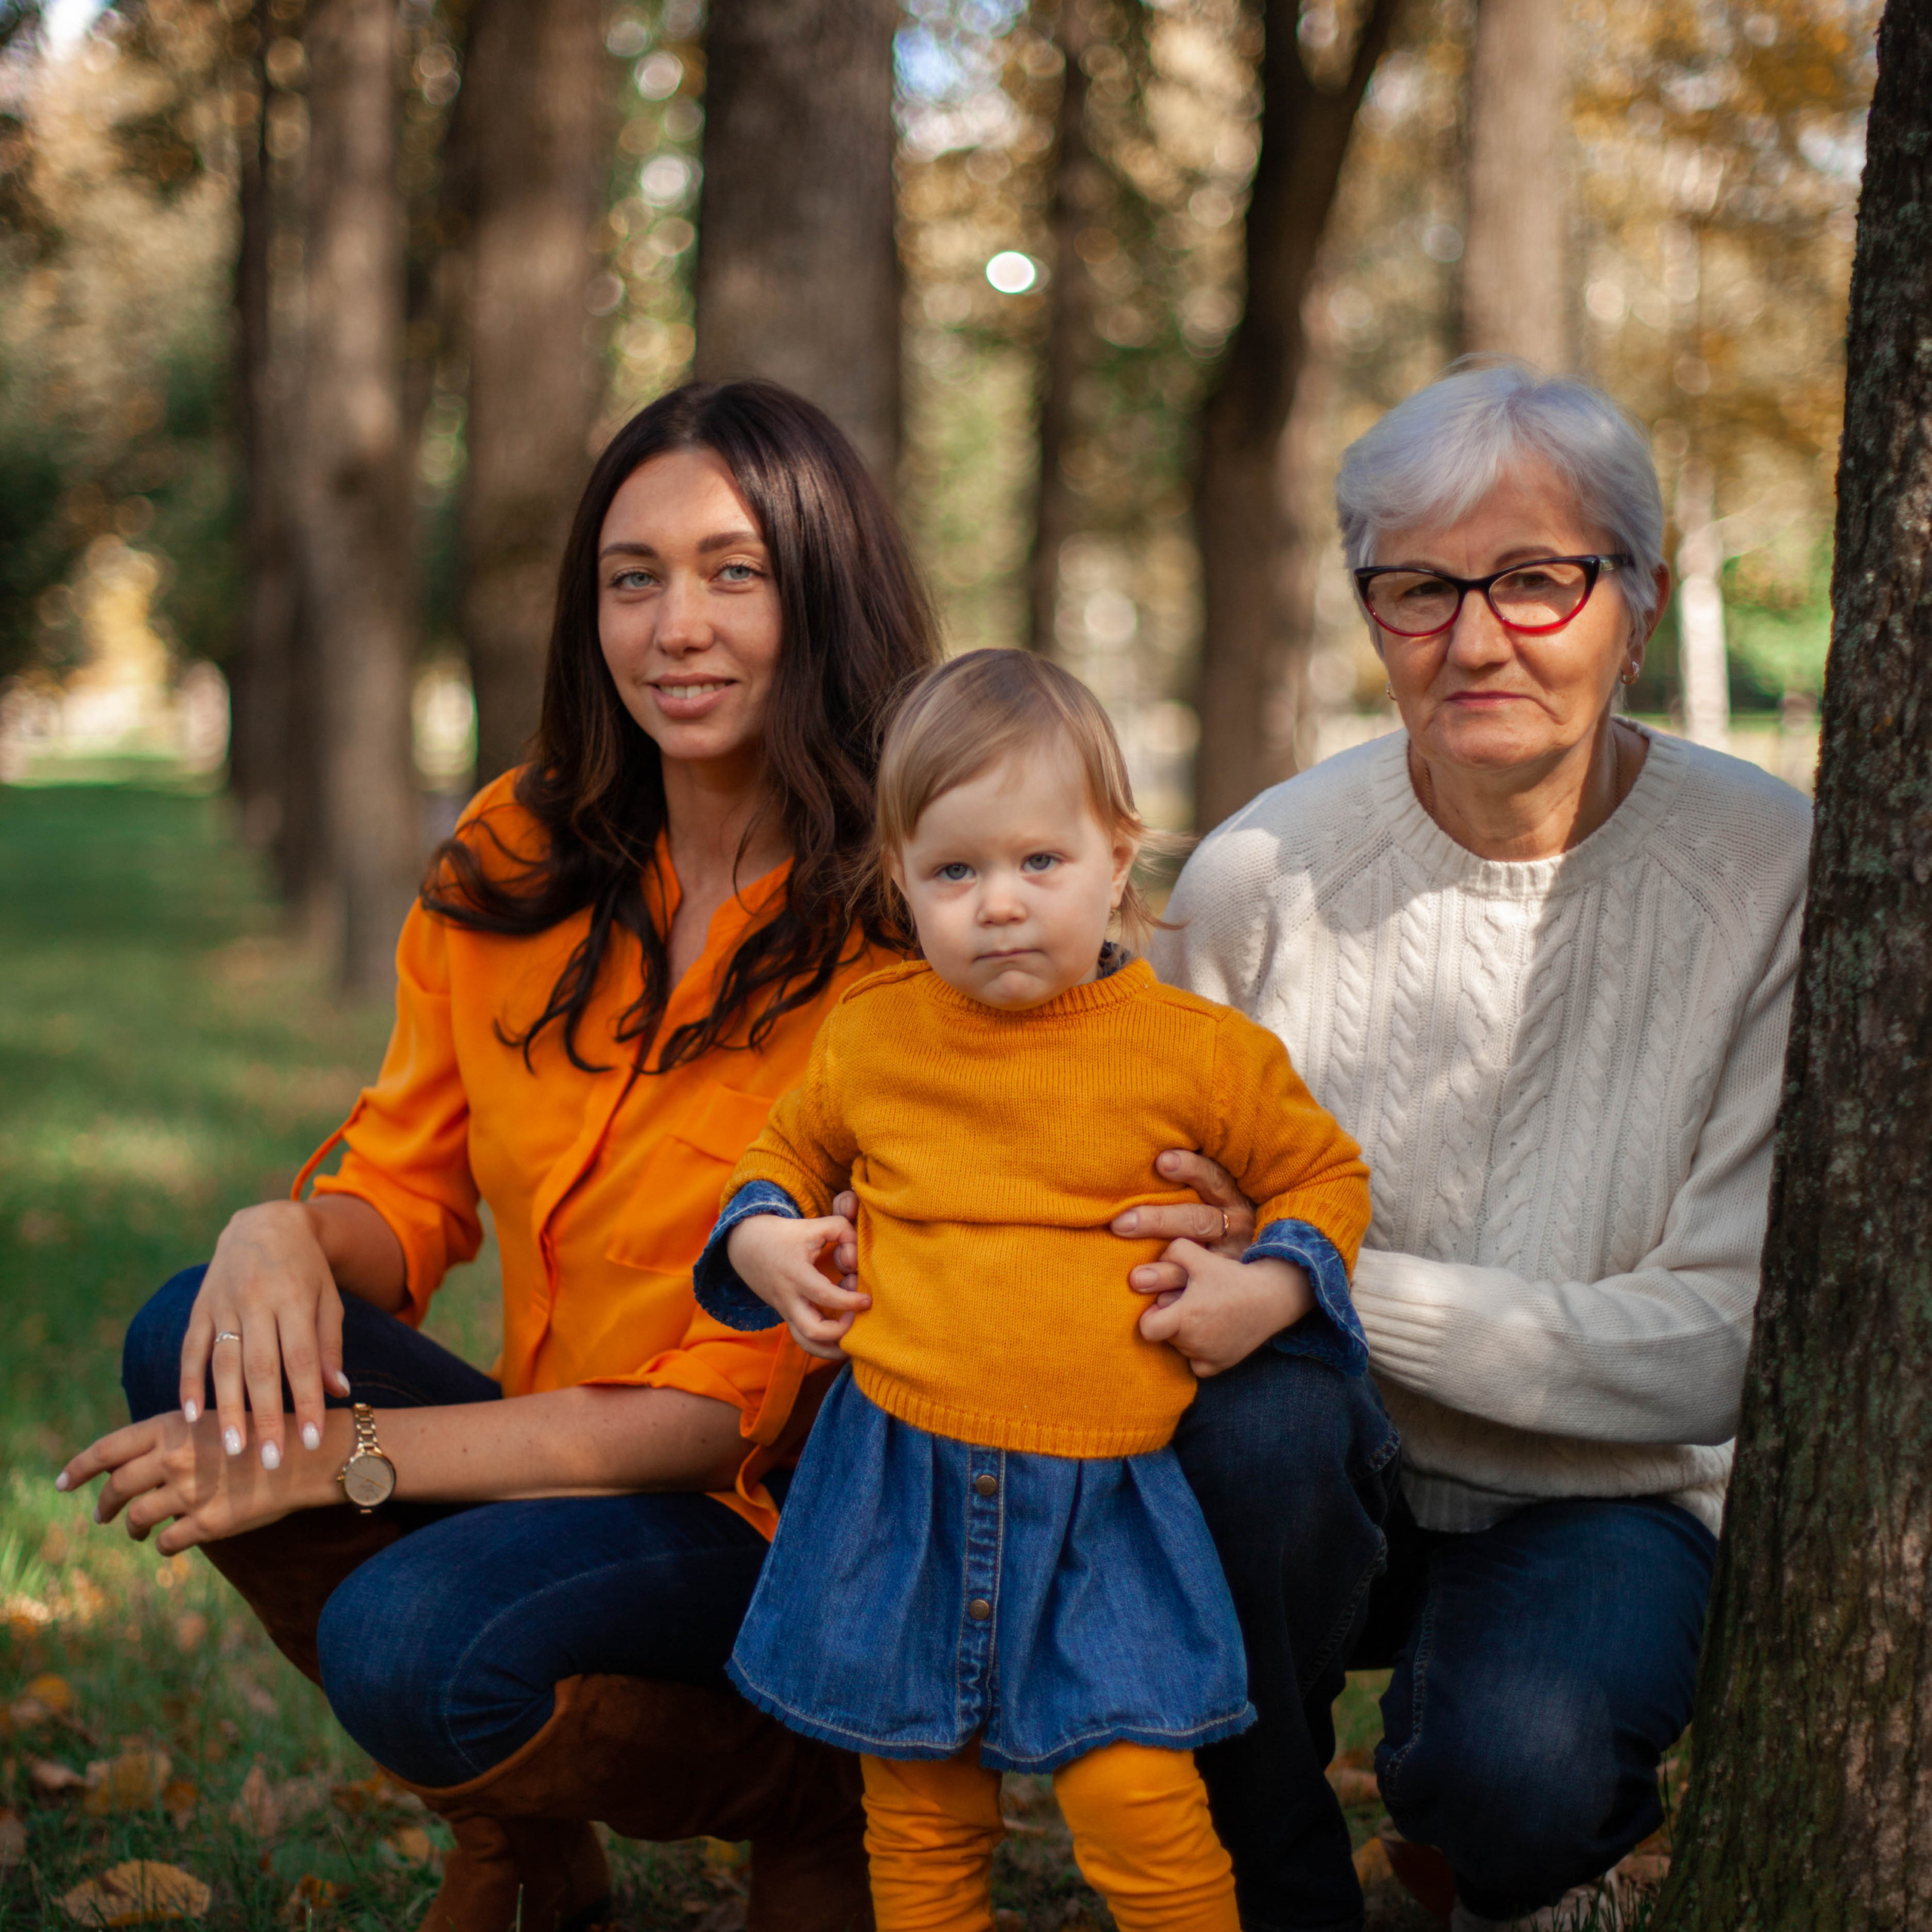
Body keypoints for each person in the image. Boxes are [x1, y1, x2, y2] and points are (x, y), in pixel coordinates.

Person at [58, 380, 940, 1932]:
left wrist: (346, 1457)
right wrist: (280, 1229)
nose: (676, 626)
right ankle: (529, 1838)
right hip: (562, 1458)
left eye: (734, 572)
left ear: (823, 591)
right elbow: (405, 1189)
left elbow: (713, 1416)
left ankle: (812, 1786)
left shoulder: (904, 922)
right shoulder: (517, 850)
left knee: (410, 1639)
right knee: (195, 1331)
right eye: (632, 577)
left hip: (784, 1521)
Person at [1115, 361, 1813, 1931]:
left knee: (1521, 1776)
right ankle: (1269, 1882)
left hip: (1610, 1494)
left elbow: (1712, 1349)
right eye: (1420, 589)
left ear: (1638, 600)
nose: (1477, 639)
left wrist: (1314, 1272)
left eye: (1536, 580)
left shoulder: (1768, 870)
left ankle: (1455, 1848)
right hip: (1317, 1465)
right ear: (1372, 616)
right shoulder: (1259, 875)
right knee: (1249, 1443)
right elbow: (1167, 1244)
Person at [691, 650, 1374, 1932]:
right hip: (898, 1487)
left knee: (1137, 1798)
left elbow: (1325, 1176)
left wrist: (1271, 1293)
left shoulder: (1193, 1055)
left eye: (1039, 862)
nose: (998, 904)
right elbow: (779, 1157)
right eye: (954, 872)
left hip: (1108, 1502)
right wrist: (764, 1242)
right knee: (920, 1808)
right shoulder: (875, 1035)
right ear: (899, 880)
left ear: (1118, 858)